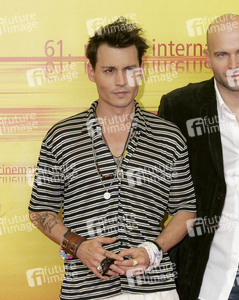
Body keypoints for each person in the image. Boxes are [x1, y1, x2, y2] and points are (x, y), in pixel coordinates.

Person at [28, 18, 196, 300]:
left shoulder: (168, 136)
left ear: (141, 71)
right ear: (91, 71)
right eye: (109, 70)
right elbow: (40, 210)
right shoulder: (61, 136)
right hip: (85, 289)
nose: (121, 81)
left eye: (129, 69)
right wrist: (78, 246)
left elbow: (186, 211)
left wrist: (151, 251)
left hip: (154, 289)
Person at [158, 14, 239, 300]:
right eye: (222, 54)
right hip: (209, 278)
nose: (233, 66)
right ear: (207, 57)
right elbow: (162, 191)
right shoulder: (180, 106)